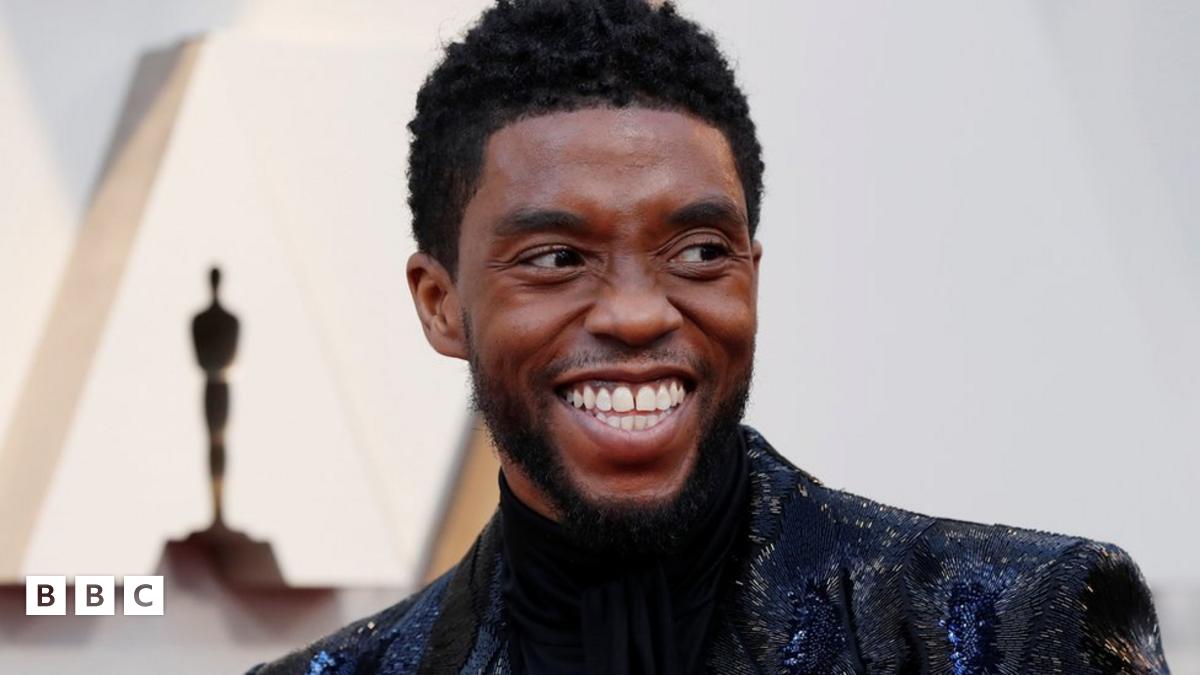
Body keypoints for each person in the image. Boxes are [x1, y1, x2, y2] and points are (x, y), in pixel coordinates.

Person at [250, 1, 1170, 672]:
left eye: (698, 251)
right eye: (558, 258)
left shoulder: (1015, 626)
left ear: (750, 277)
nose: (638, 313)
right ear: (440, 303)